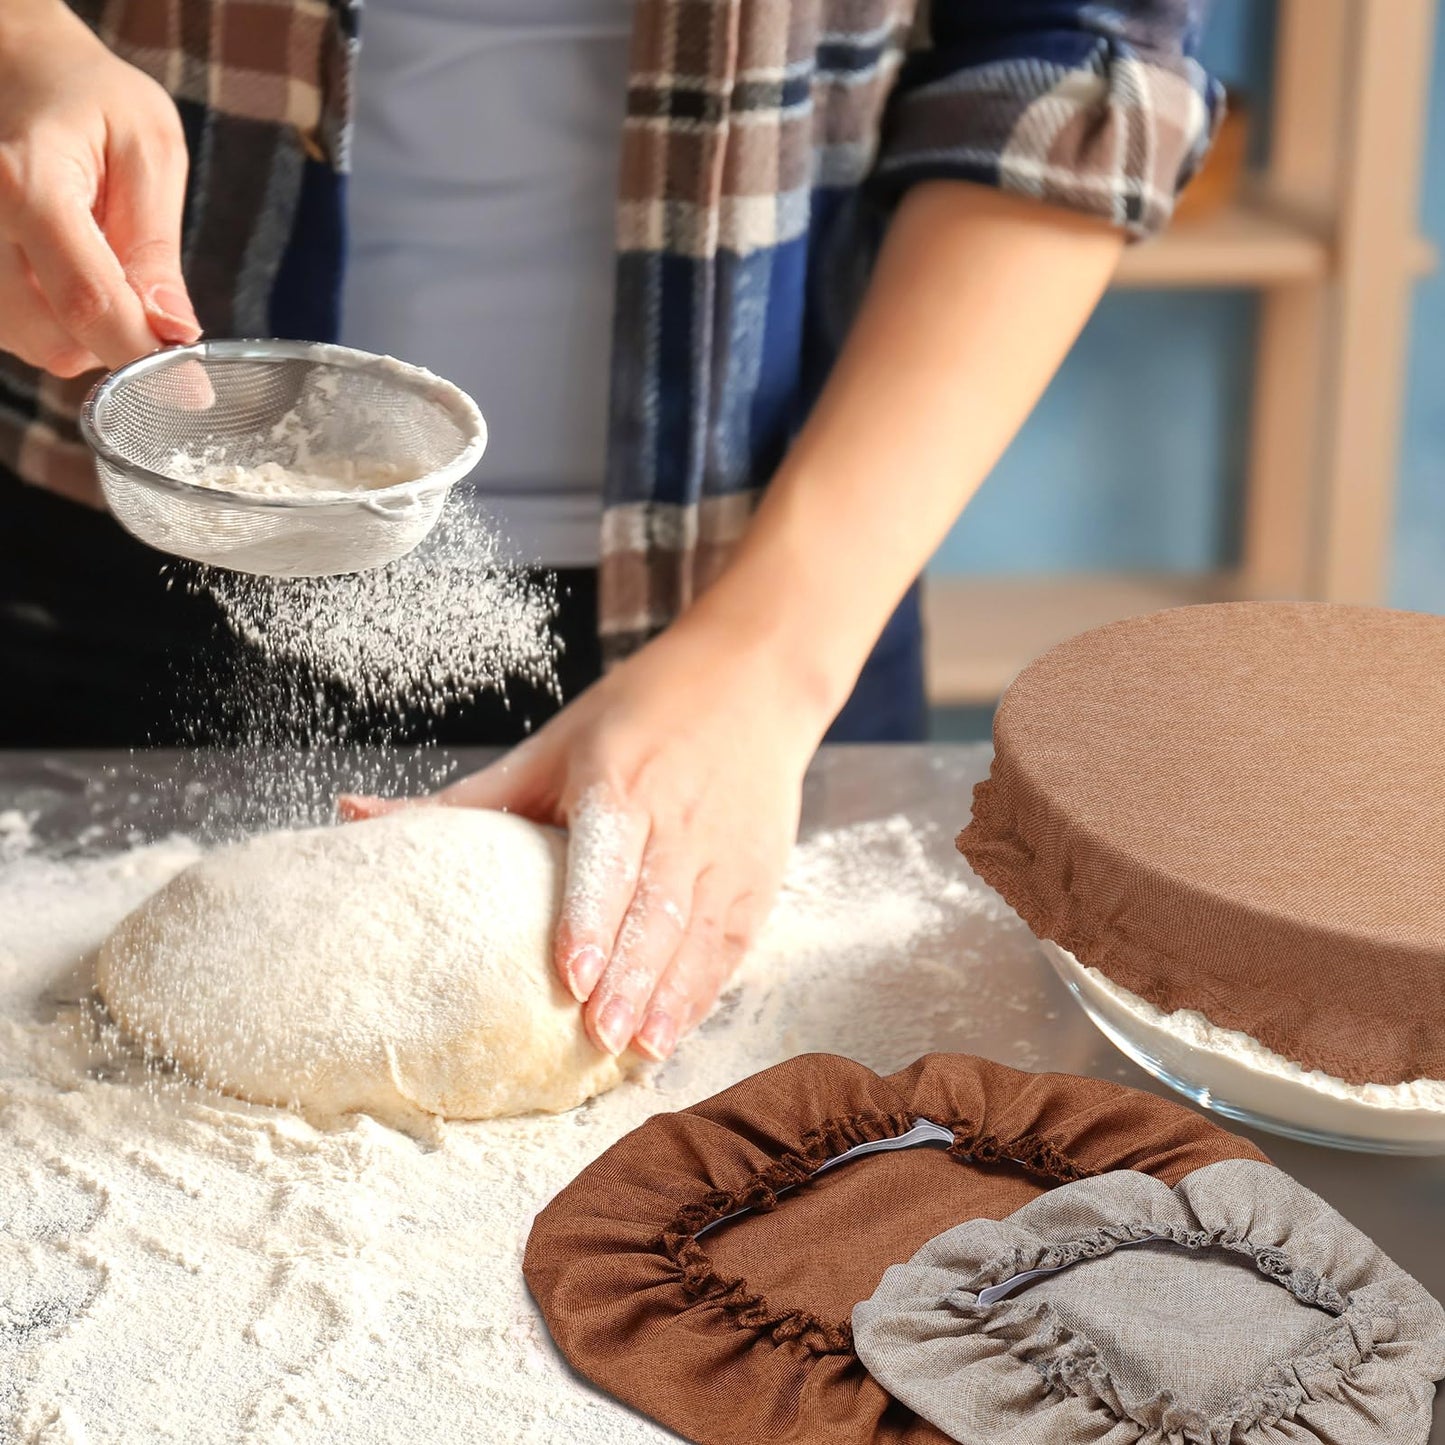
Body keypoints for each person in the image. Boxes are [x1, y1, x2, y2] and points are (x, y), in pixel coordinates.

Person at [0, 0, 1219, 1061]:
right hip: (125, 547)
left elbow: (1075, 52)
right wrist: (24, 43)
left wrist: (766, 662)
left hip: (766, 597)